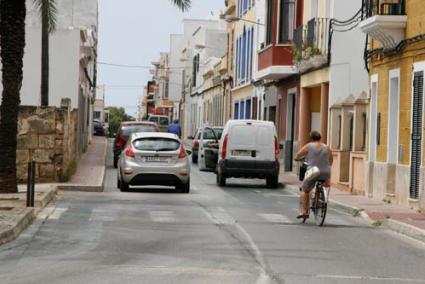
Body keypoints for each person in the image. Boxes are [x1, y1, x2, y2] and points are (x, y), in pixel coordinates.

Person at [295, 131, 333, 219]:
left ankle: (305, 211)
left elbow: (298, 154)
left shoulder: (309, 146)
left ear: (311, 138)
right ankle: (318, 200)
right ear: (320, 137)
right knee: (320, 183)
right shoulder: (327, 147)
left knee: (305, 190)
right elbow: (331, 160)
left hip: (313, 171)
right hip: (325, 172)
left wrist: (297, 158)